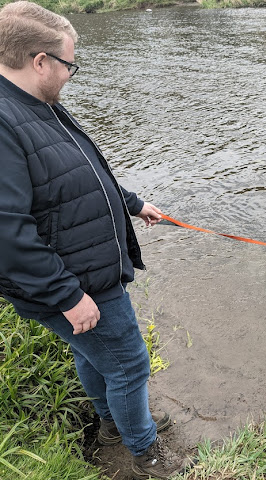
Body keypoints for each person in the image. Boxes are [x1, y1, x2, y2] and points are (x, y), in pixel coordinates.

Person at [0, 2, 190, 479]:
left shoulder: (36, 105)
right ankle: (144, 451)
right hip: (73, 280)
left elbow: (76, 174)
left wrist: (130, 202)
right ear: (39, 60)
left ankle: (110, 424)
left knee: (94, 352)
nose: (70, 75)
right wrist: (67, 295)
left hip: (83, 269)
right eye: (68, 64)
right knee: (129, 363)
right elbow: (6, 230)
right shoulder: (5, 121)